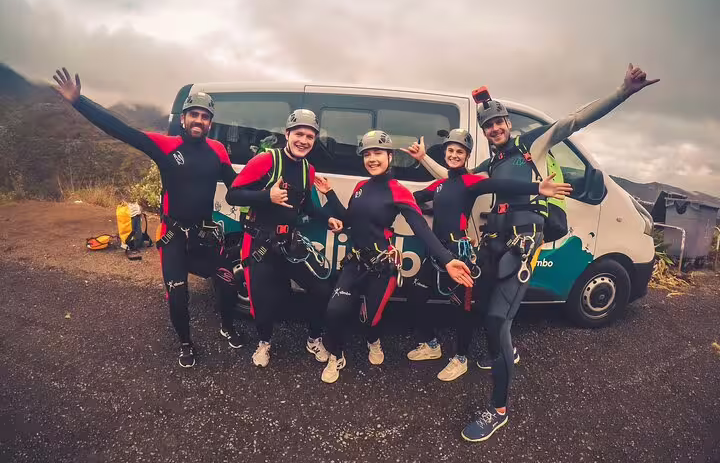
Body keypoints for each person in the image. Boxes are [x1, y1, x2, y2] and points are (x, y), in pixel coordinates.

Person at [404, 64, 659, 442]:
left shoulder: (532, 146)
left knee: (496, 322)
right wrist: (425, 160)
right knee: (476, 306)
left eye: (499, 122)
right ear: (485, 132)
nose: (495, 129)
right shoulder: (490, 164)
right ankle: (504, 352)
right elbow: (453, 180)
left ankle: (499, 410)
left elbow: (573, 121)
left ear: (507, 122)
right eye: (488, 126)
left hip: (522, 245)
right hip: (493, 245)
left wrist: (622, 91)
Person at [53, 68, 245, 368]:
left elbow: (236, 189)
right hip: (173, 238)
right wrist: (80, 102)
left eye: (205, 116)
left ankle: (228, 326)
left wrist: (268, 193)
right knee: (179, 297)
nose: (199, 120)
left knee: (229, 280)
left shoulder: (218, 151)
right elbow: (122, 131)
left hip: (203, 236)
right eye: (193, 114)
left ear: (210, 122)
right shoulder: (166, 146)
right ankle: (185, 343)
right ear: (183, 119)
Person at [402, 129, 571, 382]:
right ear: (445, 153)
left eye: (460, 152)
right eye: (450, 150)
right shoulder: (439, 184)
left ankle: (460, 359)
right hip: (436, 253)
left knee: (462, 309)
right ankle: (431, 344)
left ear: (467, 156)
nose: (454, 155)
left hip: (459, 252)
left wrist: (537, 187)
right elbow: (415, 198)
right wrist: (400, 199)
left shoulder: (470, 182)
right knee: (415, 294)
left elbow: (500, 184)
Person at [313, 130, 474, 384]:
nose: (372, 159)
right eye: (367, 154)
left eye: (378, 153)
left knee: (371, 319)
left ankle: (373, 340)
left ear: (390, 156)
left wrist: (446, 259)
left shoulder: (398, 191)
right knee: (334, 312)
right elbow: (349, 219)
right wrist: (330, 194)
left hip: (383, 267)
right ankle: (336, 356)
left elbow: (421, 228)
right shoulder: (360, 187)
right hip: (355, 263)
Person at [225, 109, 343, 368]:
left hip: (290, 243)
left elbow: (308, 207)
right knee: (264, 301)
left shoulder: (307, 170)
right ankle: (264, 343)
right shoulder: (266, 161)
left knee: (322, 289)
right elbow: (233, 195)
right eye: (299, 134)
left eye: (310, 136)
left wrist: (328, 219)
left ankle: (313, 338)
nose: (303, 140)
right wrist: (267, 196)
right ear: (287, 134)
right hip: (261, 245)